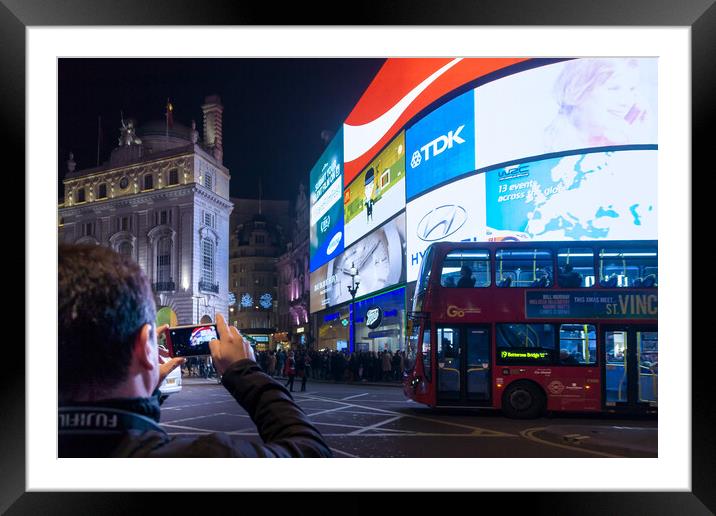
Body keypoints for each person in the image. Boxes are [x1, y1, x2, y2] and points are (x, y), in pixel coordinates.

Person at [58, 244, 331, 458]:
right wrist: (247, 372)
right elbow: (311, 454)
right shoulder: (201, 462)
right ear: (144, 348)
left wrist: (144, 387)